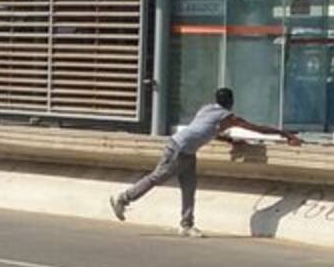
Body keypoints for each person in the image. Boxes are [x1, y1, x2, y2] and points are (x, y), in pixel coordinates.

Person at [110, 87, 301, 236]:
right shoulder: (226, 116)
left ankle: (187, 225)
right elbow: (256, 128)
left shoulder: (207, 109)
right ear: (231, 102)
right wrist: (284, 134)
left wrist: (230, 140)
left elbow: (206, 130)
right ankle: (123, 198)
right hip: (179, 149)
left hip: (186, 149)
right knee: (157, 177)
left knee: (189, 187)